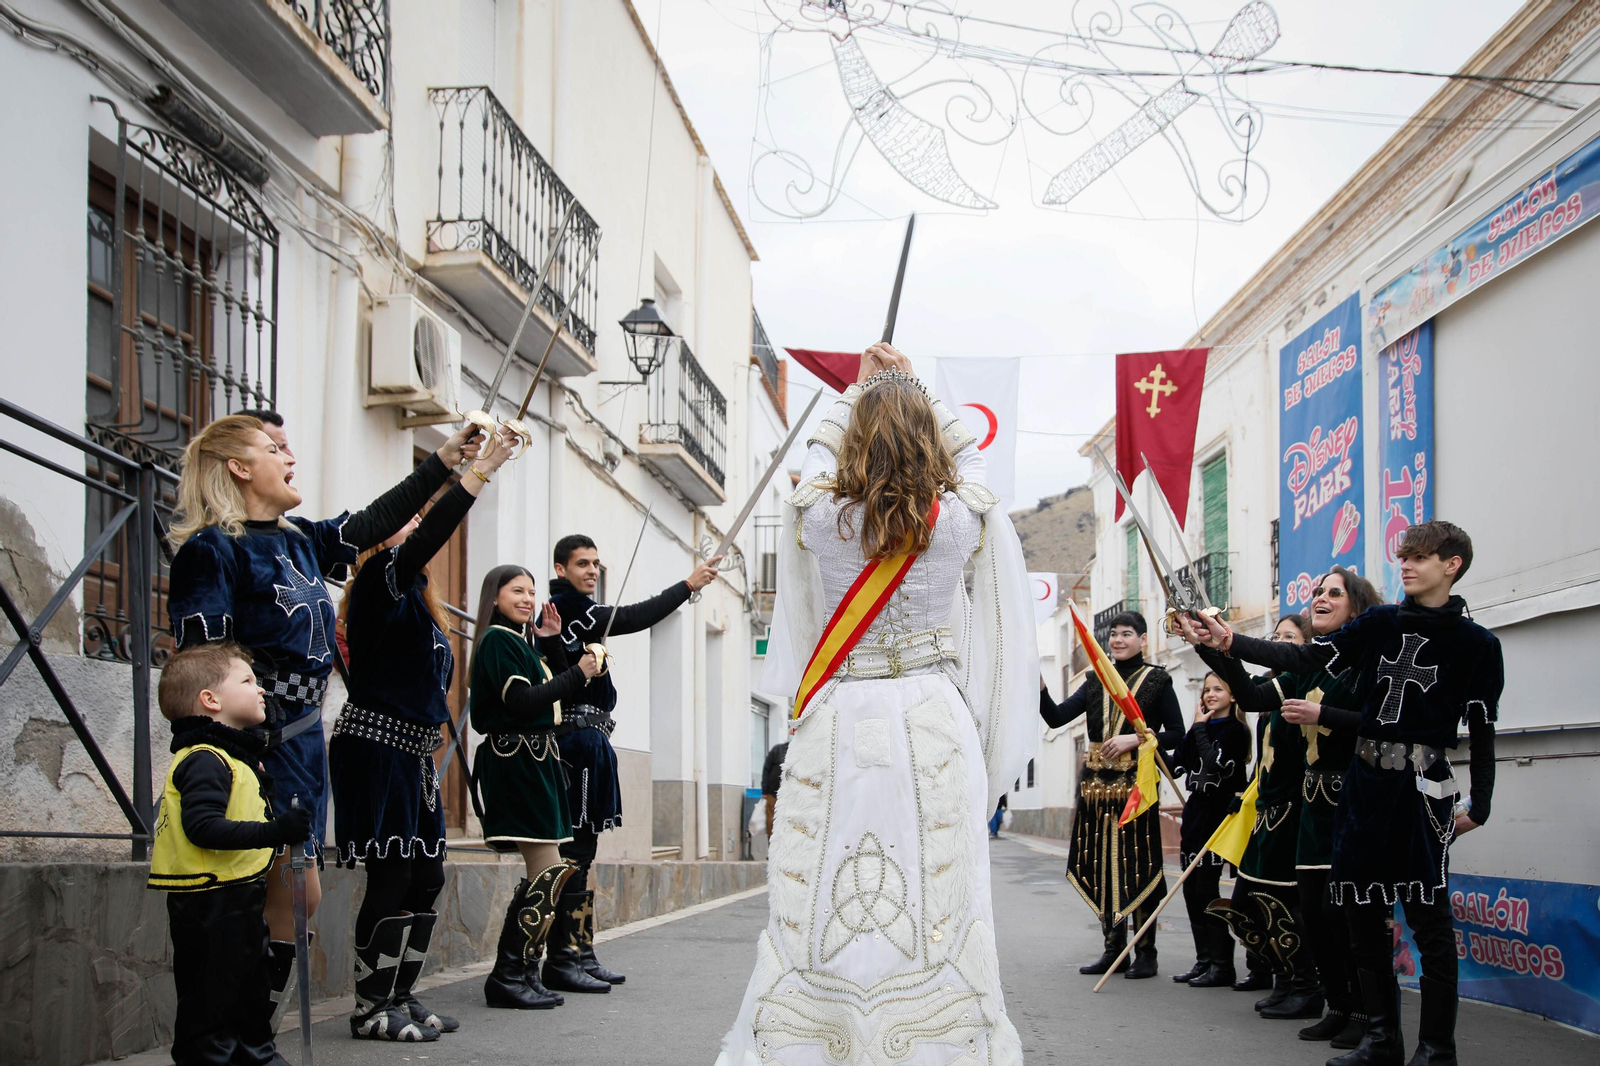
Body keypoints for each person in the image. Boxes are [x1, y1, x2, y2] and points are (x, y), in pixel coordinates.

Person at [714, 344, 1037, 1065]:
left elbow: (816, 463)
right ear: (931, 434)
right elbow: (973, 457)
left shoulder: (822, 515)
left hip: (840, 713)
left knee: (827, 880)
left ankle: (818, 1034)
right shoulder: (958, 519)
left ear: (852, 434)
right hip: (931, 715)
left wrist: (858, 392)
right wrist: (912, 388)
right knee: (936, 884)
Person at [166, 413, 487, 1025]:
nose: (289, 458)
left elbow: (373, 523)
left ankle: (254, 1034)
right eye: (274, 449)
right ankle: (232, 1034)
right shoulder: (213, 549)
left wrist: (445, 463)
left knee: (298, 893)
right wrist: (237, 743)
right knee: (257, 891)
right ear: (239, 468)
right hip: (255, 743)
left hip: (306, 742)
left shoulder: (301, 540)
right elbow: (202, 663)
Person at [1180, 521, 1501, 1066]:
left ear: (1452, 565)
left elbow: (1484, 728)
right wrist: (1229, 641)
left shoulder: (1478, 644)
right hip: (1365, 786)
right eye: (1404, 555)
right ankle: (1381, 1039)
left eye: (1421, 557)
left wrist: (1482, 805)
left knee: (1429, 925)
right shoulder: (1379, 623)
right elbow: (1303, 658)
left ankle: (1436, 1048)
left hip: (1422, 789)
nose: (1407, 564)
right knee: (1361, 919)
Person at [329, 426, 517, 1041]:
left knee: (427, 875)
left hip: (413, 753)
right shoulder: (381, 578)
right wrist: (480, 469)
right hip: (375, 745)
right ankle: (369, 1006)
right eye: (406, 521)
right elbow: (432, 529)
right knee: (390, 873)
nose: (414, 527)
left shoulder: (414, 598)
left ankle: (401, 996)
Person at [1200, 570, 1378, 1049]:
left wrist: (1324, 716)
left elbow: (1382, 723)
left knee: (1343, 916)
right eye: (1317, 592)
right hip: (1314, 809)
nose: (1320, 598)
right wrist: (1212, 648)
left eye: (1333, 593)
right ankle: (1338, 1007)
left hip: (1357, 801)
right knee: (1319, 916)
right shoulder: (1309, 663)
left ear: (1358, 605)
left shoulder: (1370, 658)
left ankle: (1367, 1014)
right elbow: (1256, 696)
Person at [539, 534, 721, 992]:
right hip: (576, 745)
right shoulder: (568, 609)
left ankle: (580, 952)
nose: (591, 571)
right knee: (576, 854)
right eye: (582, 564)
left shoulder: (578, 613)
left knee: (584, 853)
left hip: (591, 743)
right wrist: (688, 584)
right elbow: (638, 616)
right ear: (560, 569)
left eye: (596, 564)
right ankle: (564, 959)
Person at [148, 643, 312, 1066]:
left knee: (249, 990)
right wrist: (274, 831)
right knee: (211, 1002)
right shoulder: (204, 758)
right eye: (247, 681)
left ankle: (257, 1055)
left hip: (237, 894)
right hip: (206, 901)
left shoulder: (234, 758)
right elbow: (202, 828)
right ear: (210, 700)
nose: (261, 691)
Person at [470, 565, 601, 1010]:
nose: (527, 599)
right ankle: (509, 974)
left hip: (536, 759)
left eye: (530, 591)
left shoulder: (519, 641)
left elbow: (556, 697)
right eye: (516, 591)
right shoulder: (497, 640)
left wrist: (549, 642)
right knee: (547, 871)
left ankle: (520, 970)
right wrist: (580, 671)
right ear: (494, 597)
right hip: (517, 761)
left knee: (548, 872)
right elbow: (522, 701)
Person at [1040, 611, 1184, 979]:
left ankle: (1146, 954)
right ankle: (1113, 948)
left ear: (1143, 639)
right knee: (1101, 865)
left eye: (1127, 634)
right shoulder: (1094, 681)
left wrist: (1136, 738)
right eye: (1114, 635)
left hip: (1136, 790)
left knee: (1139, 866)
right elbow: (1056, 718)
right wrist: (1037, 687)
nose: (1118, 640)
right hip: (1094, 791)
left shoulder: (1157, 680)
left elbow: (1177, 734)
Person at [1173, 672, 1251, 989]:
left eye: (1218, 688)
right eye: (1206, 690)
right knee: (1191, 891)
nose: (1209, 694)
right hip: (1195, 813)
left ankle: (1222, 965)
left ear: (1233, 696)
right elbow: (1179, 762)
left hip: (1220, 815)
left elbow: (1215, 762)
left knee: (1207, 890)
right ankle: (1203, 960)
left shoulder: (1237, 730)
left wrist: (1200, 729)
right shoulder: (1199, 729)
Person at [760, 740, 789, 839]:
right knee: (771, 822)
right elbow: (766, 769)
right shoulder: (778, 749)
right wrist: (764, 789)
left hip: (788, 796)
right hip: (772, 794)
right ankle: (771, 849)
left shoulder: (800, 752)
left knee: (786, 823)